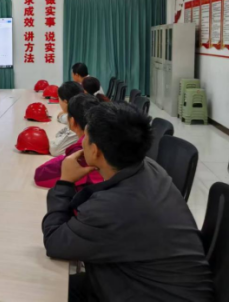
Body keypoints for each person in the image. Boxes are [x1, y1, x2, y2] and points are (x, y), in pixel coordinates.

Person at [42, 103, 215, 302]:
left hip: (149, 293)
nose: (82, 143)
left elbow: (55, 241)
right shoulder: (148, 166)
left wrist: (65, 183)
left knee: (42, 288)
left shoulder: (113, 207)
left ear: (96, 151)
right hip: (150, 282)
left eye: (86, 138)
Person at [36, 95, 103, 189]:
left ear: (72, 122)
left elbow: (40, 176)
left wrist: (65, 157)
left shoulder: (82, 150)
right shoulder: (104, 137)